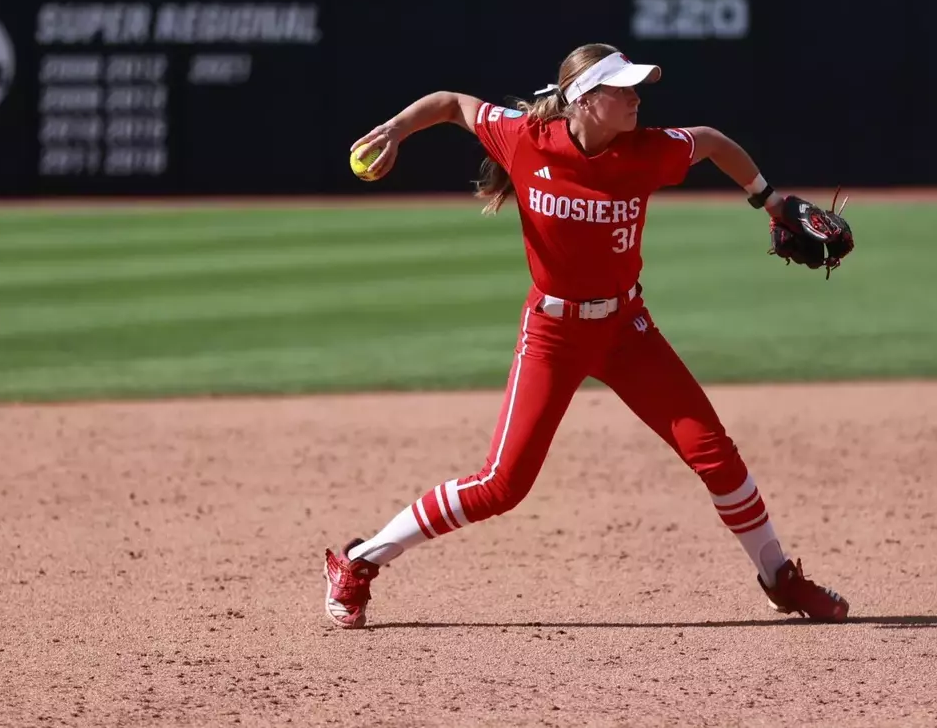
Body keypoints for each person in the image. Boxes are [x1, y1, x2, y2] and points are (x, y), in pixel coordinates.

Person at [322, 43, 852, 630]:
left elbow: (711, 140)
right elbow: (452, 104)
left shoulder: (647, 150)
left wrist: (772, 203)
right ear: (585, 99)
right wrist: (395, 129)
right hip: (553, 333)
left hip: (628, 330)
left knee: (715, 454)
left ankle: (780, 578)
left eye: (635, 87)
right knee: (503, 485)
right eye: (622, 89)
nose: (636, 98)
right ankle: (358, 561)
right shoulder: (524, 137)